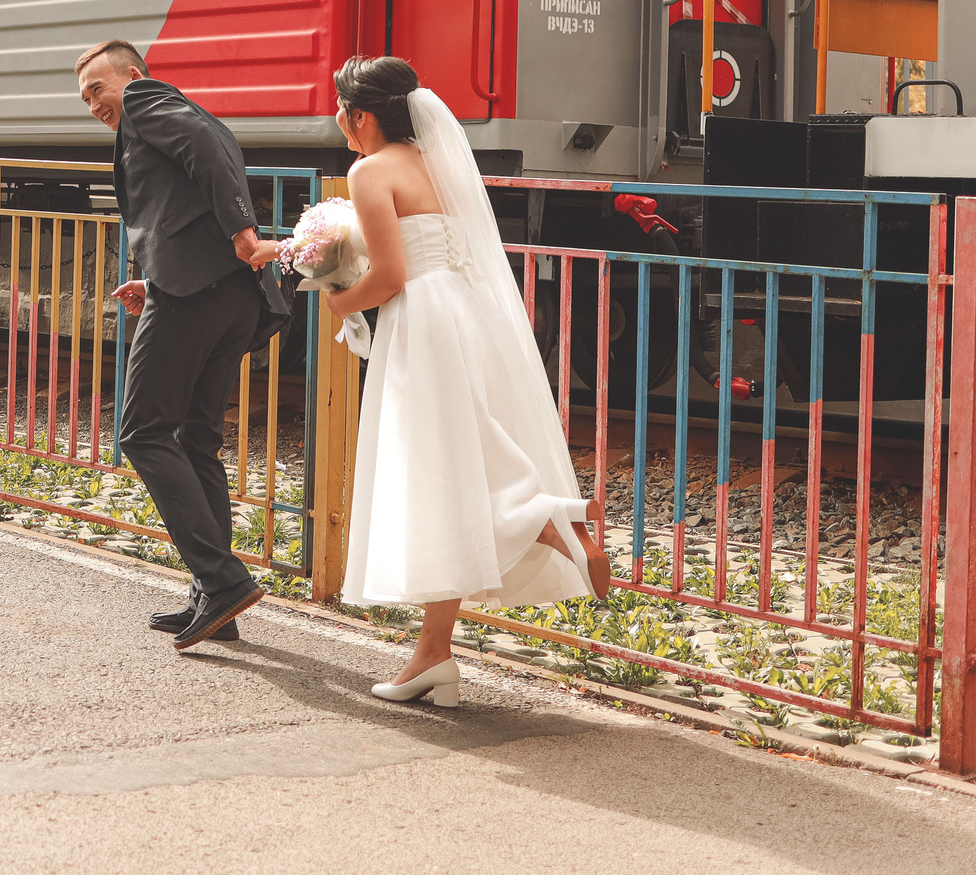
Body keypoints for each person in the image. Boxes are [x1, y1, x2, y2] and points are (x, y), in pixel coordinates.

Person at [321, 55, 610, 707]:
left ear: (361, 115)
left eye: (341, 108)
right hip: (470, 312)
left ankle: (542, 517)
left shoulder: (369, 171)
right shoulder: (436, 161)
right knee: (452, 472)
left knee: (435, 472)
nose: (336, 119)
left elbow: (390, 275)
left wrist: (340, 301)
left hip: (422, 320)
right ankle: (435, 655)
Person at [74, 39, 291, 649]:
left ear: (133, 76)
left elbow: (205, 151)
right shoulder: (177, 109)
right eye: (84, 98)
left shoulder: (146, 102)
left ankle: (222, 581)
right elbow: (193, 183)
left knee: (142, 432)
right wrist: (156, 279)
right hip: (228, 294)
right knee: (197, 441)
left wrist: (244, 234)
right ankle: (215, 601)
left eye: (98, 89)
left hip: (197, 293)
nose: (93, 104)